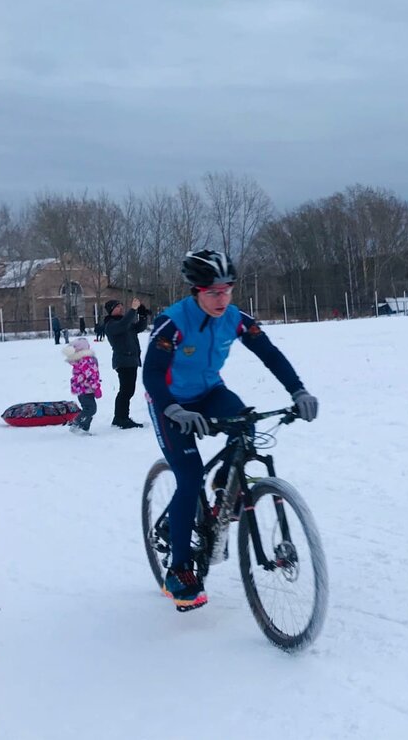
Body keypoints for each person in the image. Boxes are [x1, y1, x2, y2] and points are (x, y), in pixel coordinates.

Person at [143, 249, 318, 612]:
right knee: (188, 481)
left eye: (227, 290)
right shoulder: (172, 322)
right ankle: (179, 568)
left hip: (210, 392)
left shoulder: (235, 319)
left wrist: (297, 390)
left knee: (245, 425)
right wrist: (173, 408)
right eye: (213, 292)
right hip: (169, 401)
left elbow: (270, 353)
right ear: (196, 291)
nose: (222, 298)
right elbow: (152, 374)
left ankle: (226, 484)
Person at [104, 297, 147, 428]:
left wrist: (142, 315)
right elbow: (123, 325)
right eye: (117, 306)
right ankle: (121, 418)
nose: (121, 308)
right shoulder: (111, 324)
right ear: (111, 310)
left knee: (128, 390)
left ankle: (121, 417)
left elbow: (139, 327)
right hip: (123, 361)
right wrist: (133, 310)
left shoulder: (124, 323)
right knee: (126, 390)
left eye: (121, 306)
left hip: (131, 360)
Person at [63, 337, 102, 435]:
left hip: (81, 389)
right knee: (90, 409)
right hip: (86, 389)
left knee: (88, 408)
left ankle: (83, 428)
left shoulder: (79, 359)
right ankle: (78, 424)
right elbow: (91, 375)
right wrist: (96, 387)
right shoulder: (87, 360)